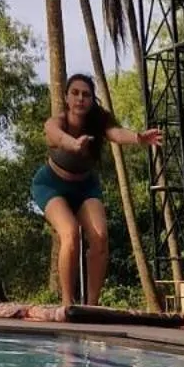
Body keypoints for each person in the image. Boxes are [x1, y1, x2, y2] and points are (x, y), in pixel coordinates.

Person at [32, 73, 160, 311]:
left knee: (100, 237)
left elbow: (115, 133)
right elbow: (57, 137)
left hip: (85, 186)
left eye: (86, 94)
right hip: (50, 183)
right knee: (70, 233)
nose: (80, 98)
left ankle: (91, 306)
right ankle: (67, 303)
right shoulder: (55, 122)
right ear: (66, 97)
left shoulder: (99, 121)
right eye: (75, 93)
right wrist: (73, 144)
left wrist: (137, 137)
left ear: (92, 100)